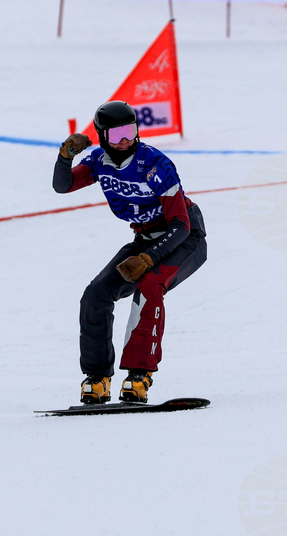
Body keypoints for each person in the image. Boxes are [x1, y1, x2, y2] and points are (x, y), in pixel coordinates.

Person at [52, 101, 207, 404]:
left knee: (150, 286)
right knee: (96, 294)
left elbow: (181, 225)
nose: (124, 140)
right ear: (101, 136)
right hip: (145, 237)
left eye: (130, 131)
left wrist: (149, 258)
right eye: (116, 134)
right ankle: (97, 378)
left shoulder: (154, 164)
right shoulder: (99, 161)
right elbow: (63, 185)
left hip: (185, 237)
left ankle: (139, 376)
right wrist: (64, 157)